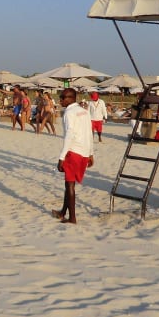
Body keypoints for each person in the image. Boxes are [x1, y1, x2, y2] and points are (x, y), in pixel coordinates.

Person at [54, 88, 94, 224]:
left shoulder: (69, 112)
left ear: (71, 98)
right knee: (68, 184)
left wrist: (61, 156)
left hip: (73, 151)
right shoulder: (84, 111)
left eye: (63, 97)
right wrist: (91, 153)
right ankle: (63, 212)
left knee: (70, 185)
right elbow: (90, 132)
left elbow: (69, 134)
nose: (60, 100)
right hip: (84, 152)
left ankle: (72, 218)